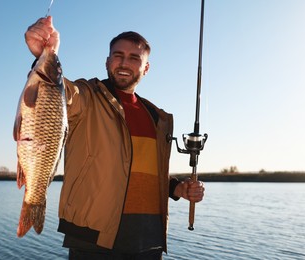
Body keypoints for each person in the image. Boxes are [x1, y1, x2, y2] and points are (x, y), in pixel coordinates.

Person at [24, 16, 205, 259]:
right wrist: (44, 56)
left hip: (148, 241)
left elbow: (145, 170)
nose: (124, 62)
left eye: (134, 58)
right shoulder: (87, 95)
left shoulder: (158, 117)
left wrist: (178, 188)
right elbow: (60, 94)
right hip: (94, 238)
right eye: (118, 55)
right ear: (108, 61)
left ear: (146, 68)